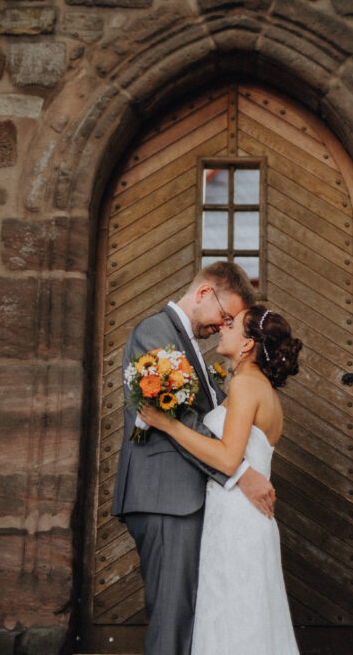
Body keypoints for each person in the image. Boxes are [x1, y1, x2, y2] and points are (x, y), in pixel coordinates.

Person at [111, 262, 277, 655]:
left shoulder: (190, 348)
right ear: (204, 293)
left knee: (188, 615)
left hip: (183, 498)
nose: (223, 326)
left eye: (230, 323)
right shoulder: (155, 331)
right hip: (165, 497)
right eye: (225, 316)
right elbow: (176, 419)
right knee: (173, 618)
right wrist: (240, 474)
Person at [140, 302, 303, 655]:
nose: (223, 327)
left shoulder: (246, 384)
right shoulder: (262, 390)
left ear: (247, 345)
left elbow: (229, 458)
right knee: (246, 620)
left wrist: (168, 424)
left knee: (234, 621)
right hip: (244, 518)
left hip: (237, 520)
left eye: (232, 325)